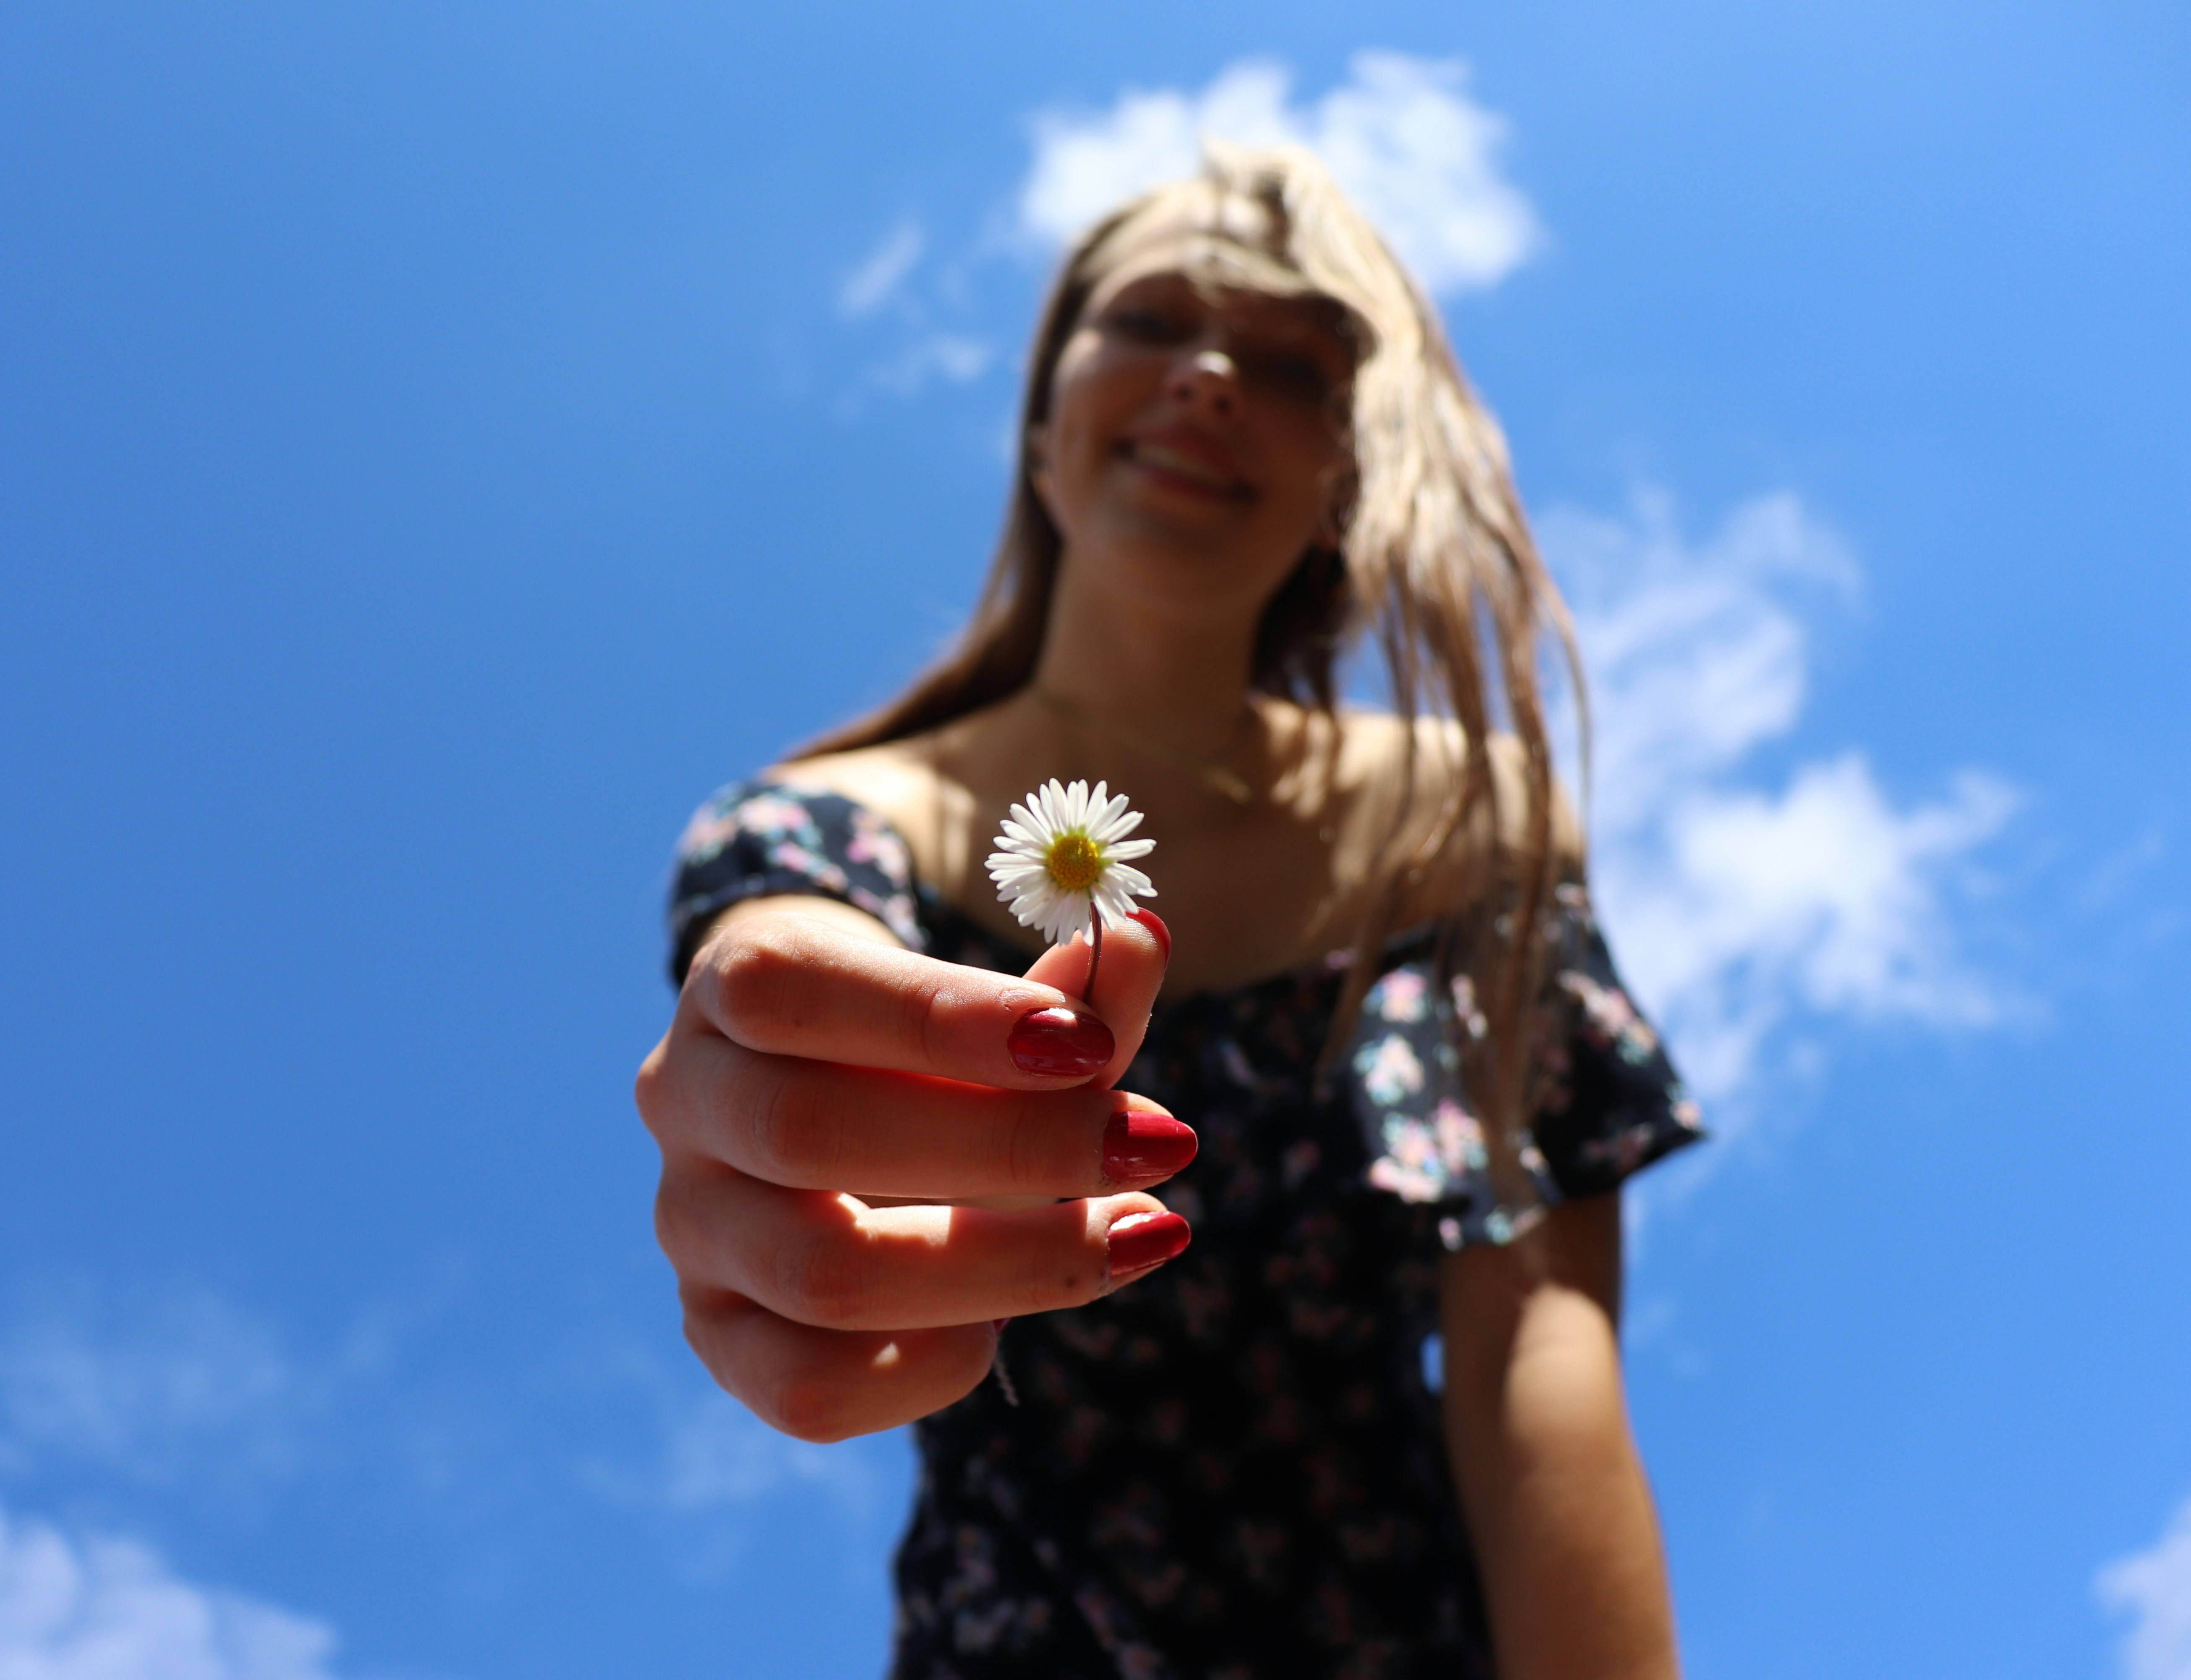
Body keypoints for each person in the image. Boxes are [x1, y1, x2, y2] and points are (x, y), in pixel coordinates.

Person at [637, 144, 1705, 1679]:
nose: (1209, 374)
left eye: (1290, 360)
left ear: (1353, 470)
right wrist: (772, 1077)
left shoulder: (1467, 824)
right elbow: (782, 953)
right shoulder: (827, 822)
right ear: (1042, 419)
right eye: (1151, 320)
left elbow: (1535, 1352)